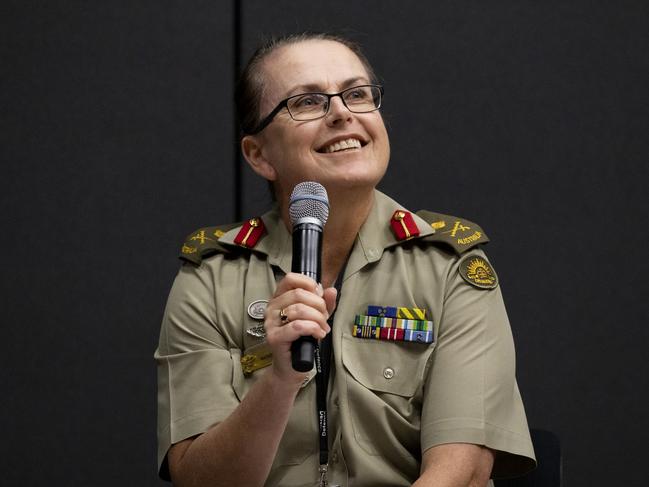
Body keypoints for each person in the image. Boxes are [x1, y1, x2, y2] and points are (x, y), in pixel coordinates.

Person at [155, 32, 536, 487]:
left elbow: (463, 472)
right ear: (259, 155)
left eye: (357, 94)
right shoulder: (212, 278)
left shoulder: (449, 266)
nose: (342, 113)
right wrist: (279, 379)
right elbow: (200, 480)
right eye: (309, 102)